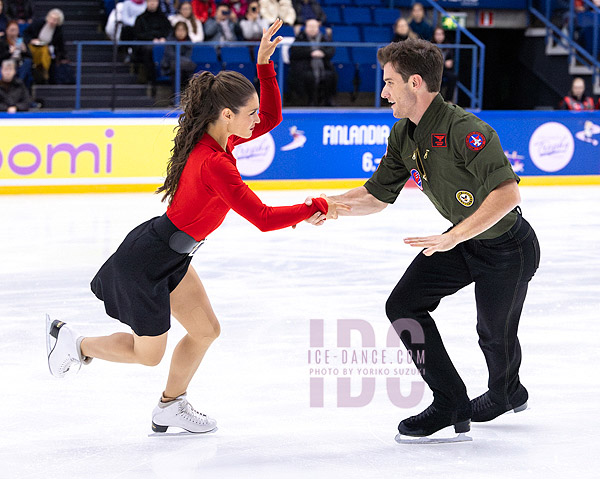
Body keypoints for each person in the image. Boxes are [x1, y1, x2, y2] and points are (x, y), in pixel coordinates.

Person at [45, 20, 345, 435]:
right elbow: (260, 218)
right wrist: (316, 205)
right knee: (147, 354)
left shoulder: (219, 140)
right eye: (250, 113)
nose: (258, 120)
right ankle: (75, 343)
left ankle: (170, 405)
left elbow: (272, 115)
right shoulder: (216, 163)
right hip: (148, 261)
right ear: (227, 114)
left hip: (174, 253)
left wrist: (264, 66)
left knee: (206, 330)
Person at [309, 39, 540, 440]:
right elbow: (376, 196)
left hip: (508, 247)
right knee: (403, 306)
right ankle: (450, 400)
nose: (383, 93)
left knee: (492, 334)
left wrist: (455, 236)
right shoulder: (403, 134)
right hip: (463, 240)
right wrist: (331, 205)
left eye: (389, 83)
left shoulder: (466, 129)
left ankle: (507, 392)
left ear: (415, 83)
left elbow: (508, 194)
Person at [288, 18, 336, 106]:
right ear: (305, 28)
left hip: (323, 65)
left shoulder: (324, 38)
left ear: (318, 27)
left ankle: (328, 100)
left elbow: (331, 50)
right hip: (305, 66)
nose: (312, 29)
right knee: (308, 76)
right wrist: (311, 53)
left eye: (314, 27)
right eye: (310, 27)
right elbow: (295, 52)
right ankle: (310, 100)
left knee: (331, 75)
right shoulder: (300, 38)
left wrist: (323, 53)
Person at [23, 8, 67, 84]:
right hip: (33, 46)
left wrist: (63, 57)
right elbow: (26, 33)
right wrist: (31, 40)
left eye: (55, 20)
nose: (52, 21)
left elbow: (60, 45)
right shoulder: (39, 23)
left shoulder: (58, 31)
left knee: (46, 53)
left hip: (47, 48)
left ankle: (44, 73)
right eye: (52, 18)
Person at [133, 0, 172, 84]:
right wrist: (151, 39)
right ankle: (151, 78)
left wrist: (163, 38)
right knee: (148, 49)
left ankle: (166, 72)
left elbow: (168, 31)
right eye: (150, 1)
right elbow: (138, 34)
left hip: (163, 43)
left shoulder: (163, 18)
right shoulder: (140, 18)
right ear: (146, 3)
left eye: (154, 1)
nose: (152, 3)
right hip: (145, 45)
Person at [161, 21, 197, 89]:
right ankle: (177, 96)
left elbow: (188, 56)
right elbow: (171, 56)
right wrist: (185, 62)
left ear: (186, 31)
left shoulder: (189, 42)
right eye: (178, 30)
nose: (181, 32)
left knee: (183, 68)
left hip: (185, 68)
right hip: (169, 66)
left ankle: (187, 94)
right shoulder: (170, 41)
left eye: (183, 30)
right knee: (178, 66)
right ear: (175, 31)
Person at [0, 20, 33, 88]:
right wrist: (10, 52)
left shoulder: (20, 40)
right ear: (7, 30)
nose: (14, 33)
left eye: (16, 30)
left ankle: (19, 82)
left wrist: (25, 51)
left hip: (19, 62)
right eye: (12, 30)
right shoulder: (2, 41)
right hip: (6, 62)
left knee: (27, 62)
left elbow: (30, 57)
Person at [433, 27, 457, 103]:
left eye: (441, 34)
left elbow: (451, 59)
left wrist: (450, 62)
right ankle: (435, 101)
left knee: (452, 77)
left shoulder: (448, 46)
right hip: (434, 70)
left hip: (445, 70)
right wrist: (443, 63)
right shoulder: (430, 46)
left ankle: (448, 100)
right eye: (437, 34)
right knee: (435, 79)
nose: (439, 36)